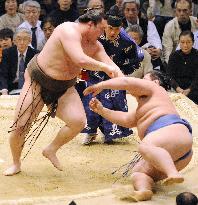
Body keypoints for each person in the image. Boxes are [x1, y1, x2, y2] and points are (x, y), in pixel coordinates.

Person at [3, 9, 123, 176]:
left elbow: (115, 70)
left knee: (78, 121)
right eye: (101, 29)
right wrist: (104, 67)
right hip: (38, 80)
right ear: (90, 24)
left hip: (64, 87)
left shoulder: (95, 46)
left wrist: (134, 85)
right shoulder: (67, 29)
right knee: (20, 126)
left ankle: (51, 149)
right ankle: (16, 163)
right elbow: (79, 59)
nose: (103, 34)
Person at [83, 70, 193, 201]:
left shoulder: (155, 89)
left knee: (145, 147)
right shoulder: (144, 107)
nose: (140, 82)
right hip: (179, 155)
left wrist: (101, 85)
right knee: (139, 172)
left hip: (171, 132)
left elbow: (127, 82)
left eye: (143, 79)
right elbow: (126, 120)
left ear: (155, 82)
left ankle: (172, 173)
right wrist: (102, 110)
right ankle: (144, 190)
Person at [81, 8, 139, 144]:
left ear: (121, 27)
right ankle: (91, 131)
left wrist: (122, 69)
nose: (113, 32)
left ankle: (111, 133)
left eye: (117, 29)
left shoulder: (127, 41)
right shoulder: (94, 34)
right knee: (90, 101)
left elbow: (135, 58)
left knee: (114, 104)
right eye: (110, 28)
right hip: (93, 73)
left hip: (113, 75)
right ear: (105, 25)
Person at [0, 27, 38, 95]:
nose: (22, 42)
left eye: (25, 39)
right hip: (11, 88)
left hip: (30, 88)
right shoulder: (7, 53)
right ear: (14, 41)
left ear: (30, 41)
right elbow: (3, 74)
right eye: (19, 39)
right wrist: (4, 90)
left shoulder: (35, 54)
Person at [167, 30, 198, 104]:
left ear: (193, 42)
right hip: (176, 88)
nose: (185, 45)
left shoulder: (197, 55)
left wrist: (189, 89)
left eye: (188, 42)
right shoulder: (174, 56)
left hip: (194, 89)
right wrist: (178, 89)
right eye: (182, 42)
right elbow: (169, 76)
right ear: (179, 42)